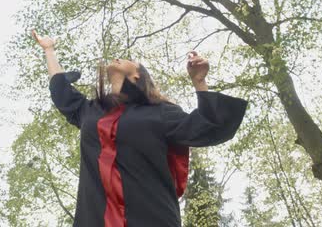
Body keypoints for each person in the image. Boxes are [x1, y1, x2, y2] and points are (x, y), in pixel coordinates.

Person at [31, 29, 249, 227]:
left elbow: (212, 127)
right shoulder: (91, 112)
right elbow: (61, 92)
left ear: (138, 76)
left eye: (127, 59)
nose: (116, 58)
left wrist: (200, 82)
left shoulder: (161, 113)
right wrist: (49, 49)